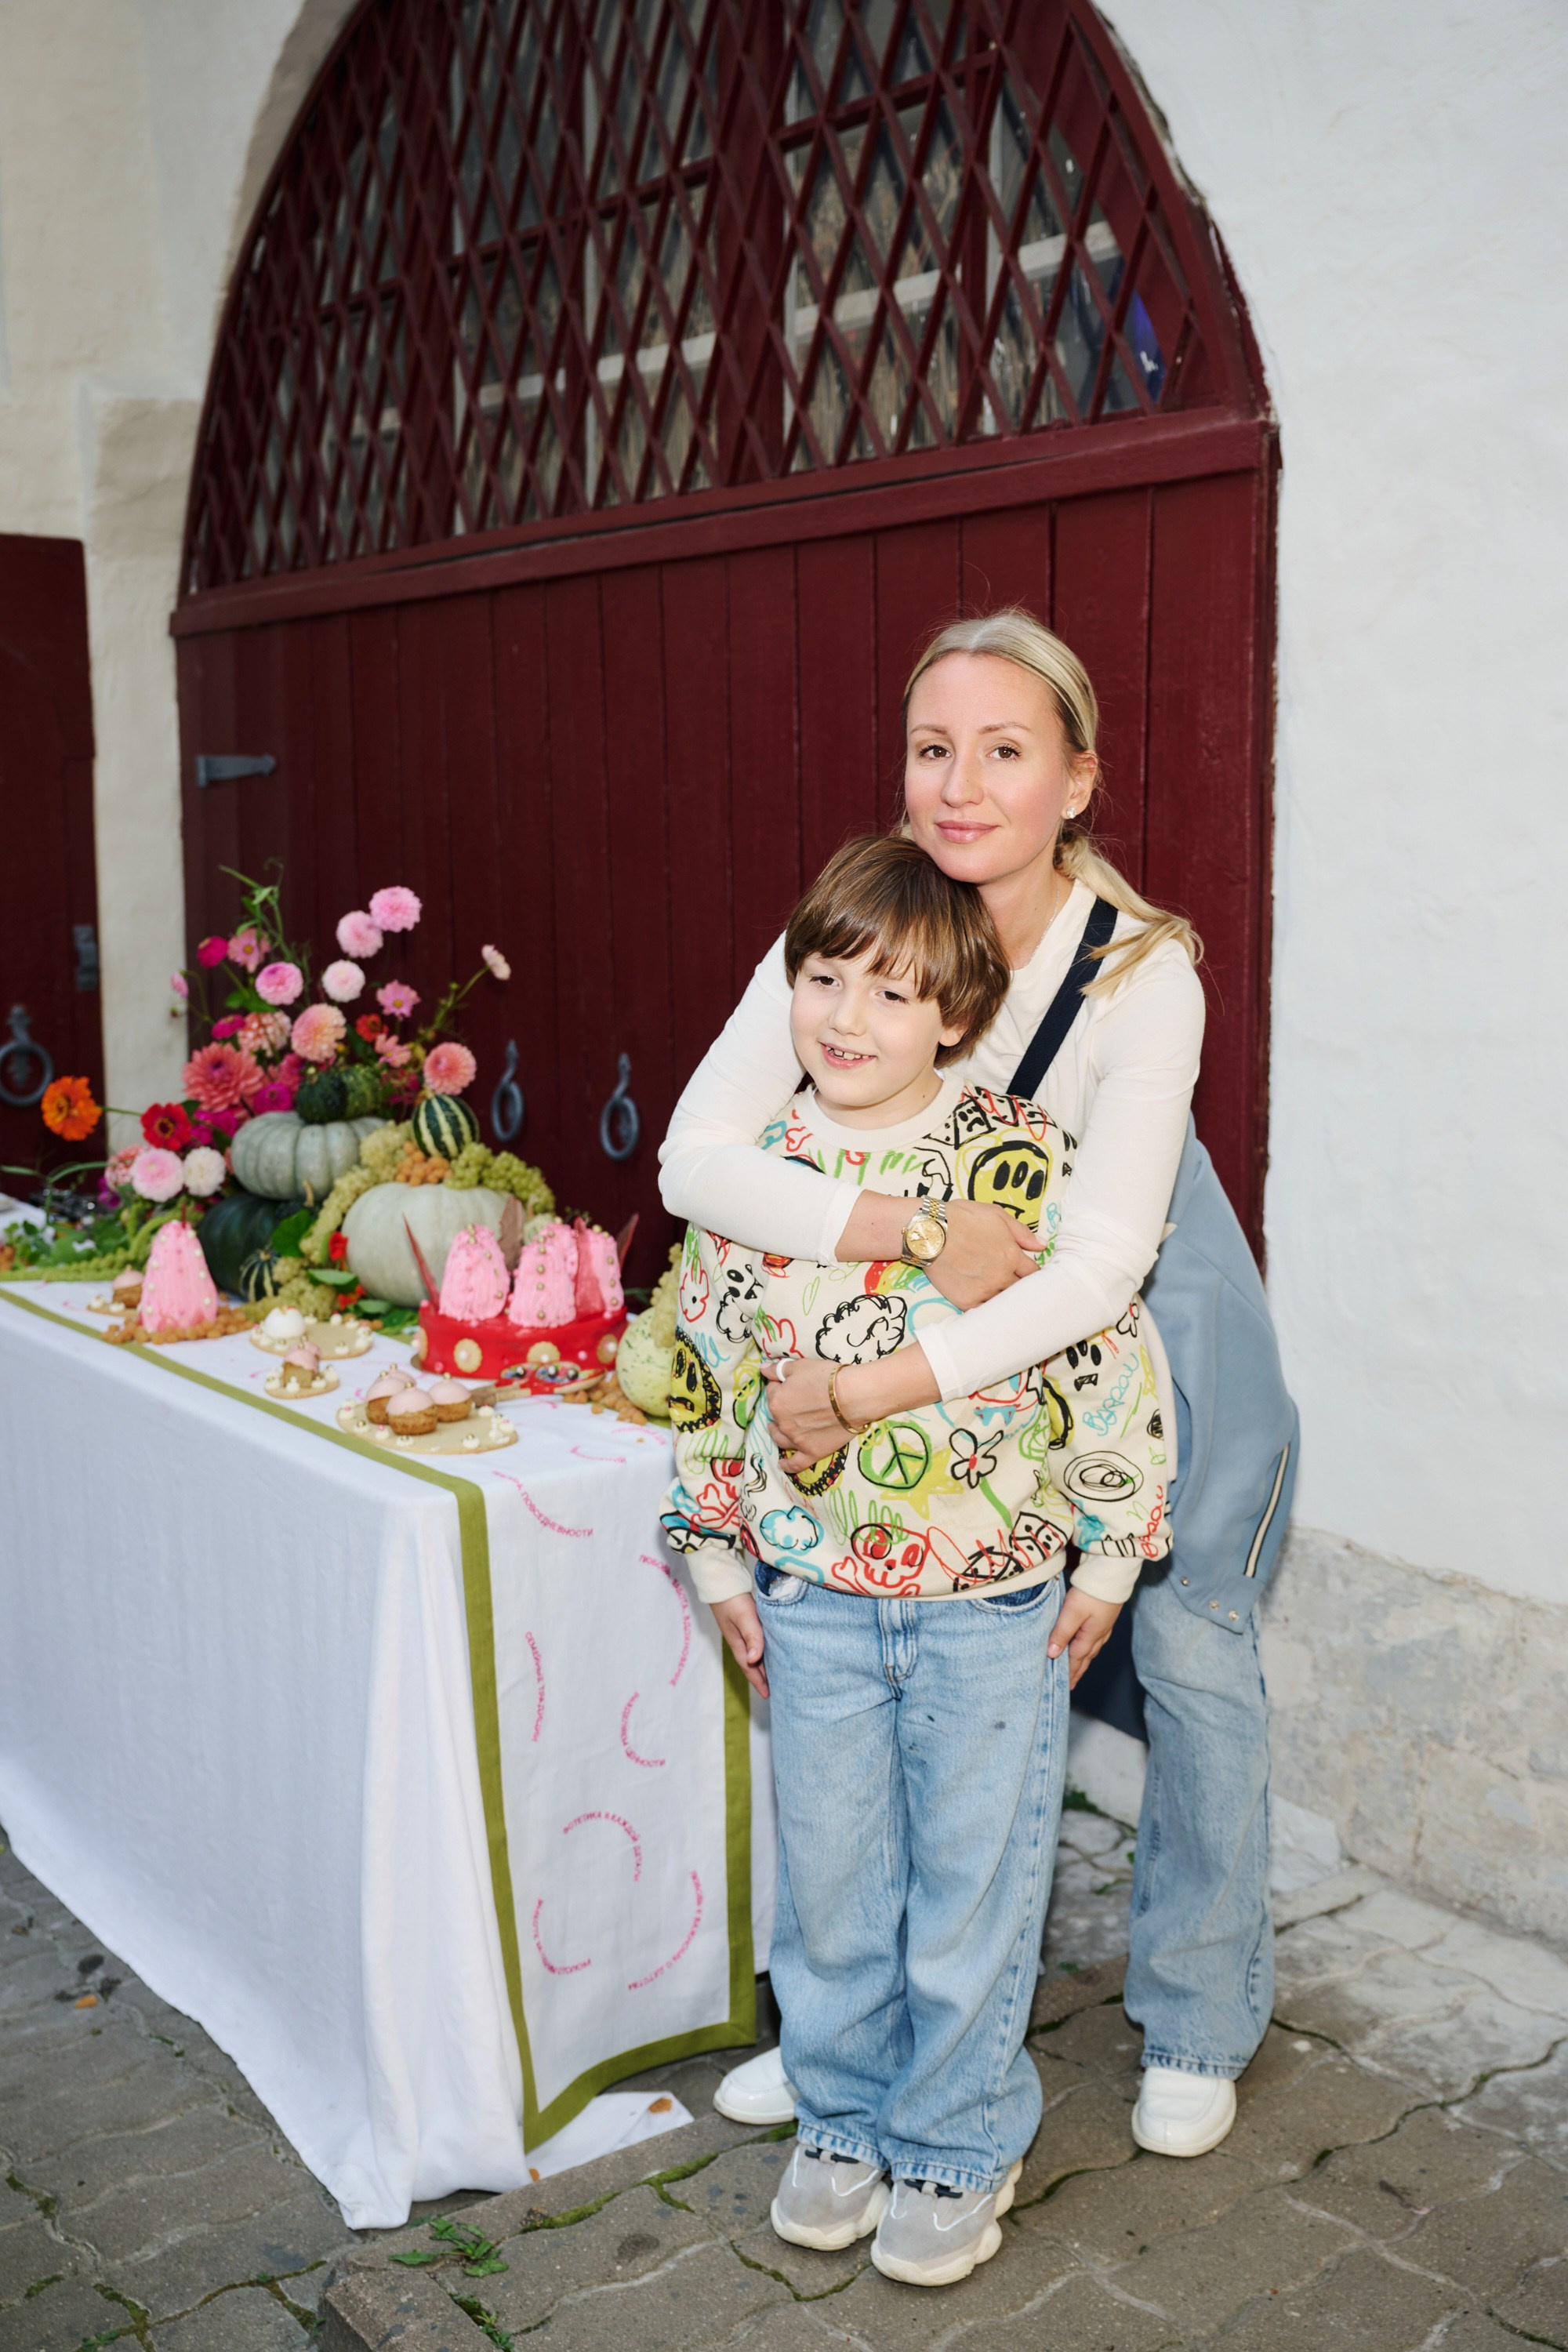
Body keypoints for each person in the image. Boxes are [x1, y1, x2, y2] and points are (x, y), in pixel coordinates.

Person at [659, 610, 1298, 2161]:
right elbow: (699, 1159)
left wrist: (870, 1386)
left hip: (1147, 1314)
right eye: (932, 749)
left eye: (1003, 751)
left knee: (1188, 1644)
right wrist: (907, 1232)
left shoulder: (1144, 978)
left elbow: (1089, 1275)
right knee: (898, 1690)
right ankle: (849, 2039)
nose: (960, 785)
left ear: (1074, 779)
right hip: (935, 1329)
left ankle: (1198, 2012)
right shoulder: (863, 930)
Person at [663, 833, 1172, 2288]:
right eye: (823, 979)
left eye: (891, 994)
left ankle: (955, 2136)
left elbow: (1106, 1357)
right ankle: (841, 2117)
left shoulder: (1012, 1159)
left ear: (956, 1015)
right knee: (834, 1882)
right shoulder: (755, 1176)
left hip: (990, 1597)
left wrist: (1110, 1557)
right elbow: (700, 1368)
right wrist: (709, 1552)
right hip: (812, 1594)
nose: (846, 1018)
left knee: (970, 1883)